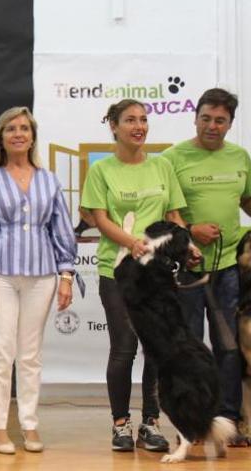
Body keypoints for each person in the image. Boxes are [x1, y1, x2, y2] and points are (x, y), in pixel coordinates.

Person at [0, 106, 76, 454]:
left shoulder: (49, 180)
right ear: (1, 137)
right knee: (0, 352)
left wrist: (67, 276)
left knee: (30, 355)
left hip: (42, 276)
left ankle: (29, 423)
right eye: (11, 128)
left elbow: (62, 232)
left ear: (32, 135)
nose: (18, 133)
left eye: (24, 128)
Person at [81, 99, 187, 453]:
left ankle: (150, 423)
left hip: (155, 276)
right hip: (118, 271)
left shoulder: (163, 167)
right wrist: (131, 242)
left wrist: (186, 245)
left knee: (156, 350)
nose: (139, 126)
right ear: (113, 126)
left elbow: (174, 216)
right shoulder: (101, 171)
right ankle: (121, 424)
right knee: (124, 349)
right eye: (130, 120)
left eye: (143, 120)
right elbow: (100, 218)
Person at [161, 88, 250, 446]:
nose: (212, 126)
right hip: (186, 268)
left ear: (230, 122)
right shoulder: (172, 158)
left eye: (220, 120)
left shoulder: (241, 157)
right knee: (190, 346)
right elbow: (164, 211)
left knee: (228, 347)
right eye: (206, 118)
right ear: (195, 117)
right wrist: (191, 231)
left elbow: (247, 201)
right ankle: (193, 423)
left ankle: (230, 420)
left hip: (227, 266)